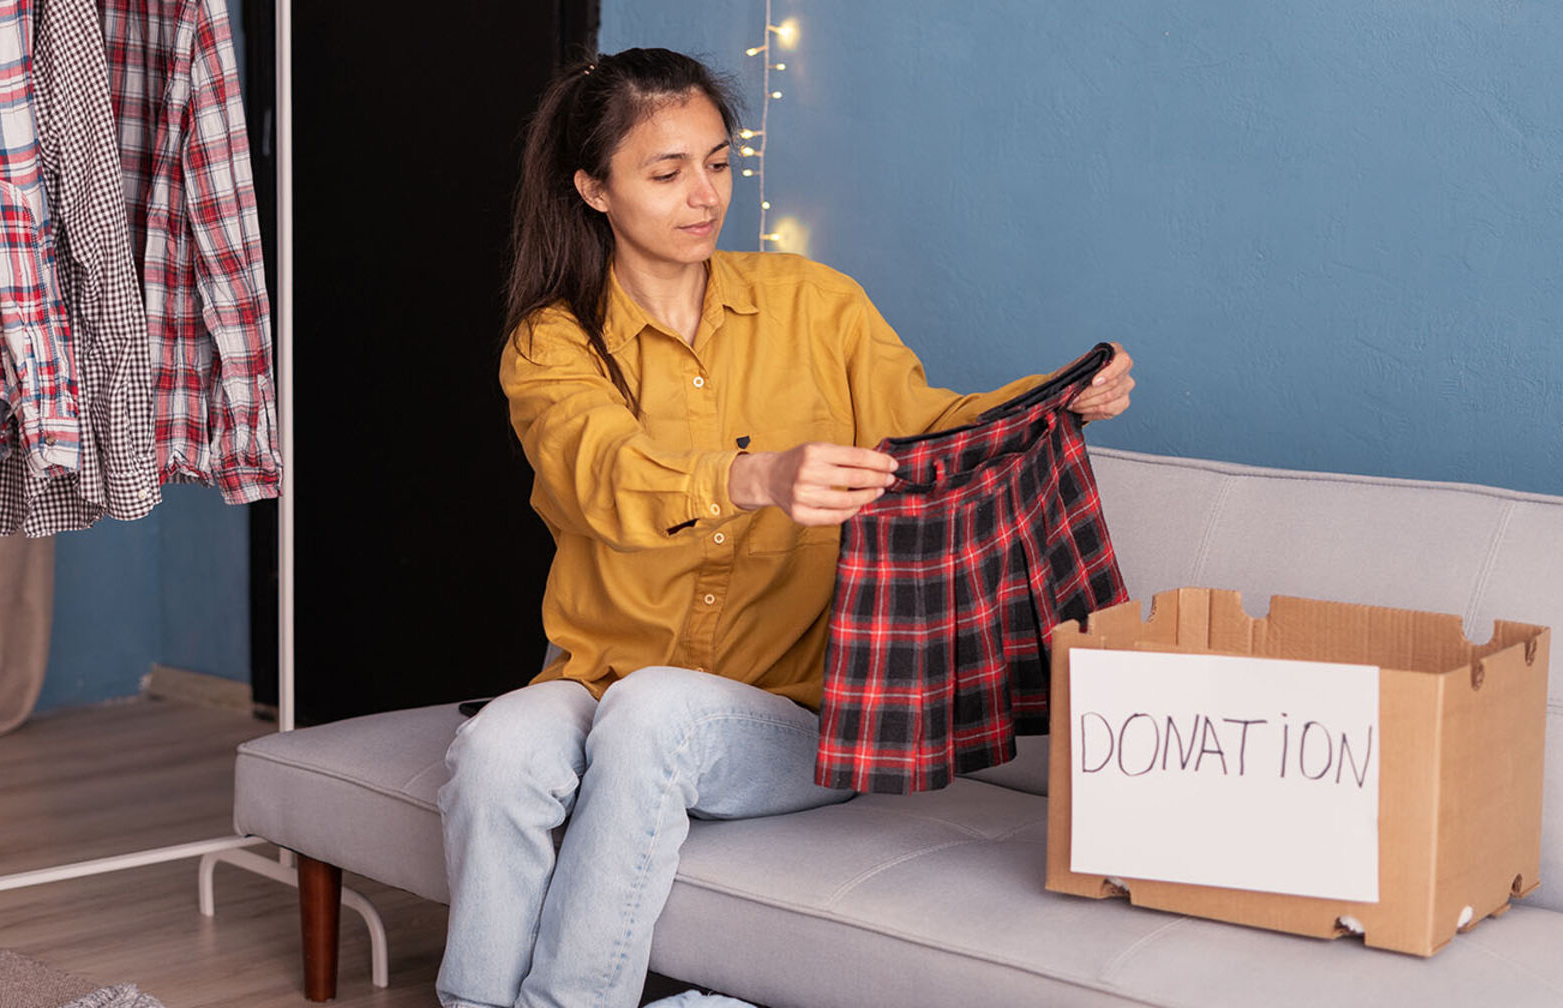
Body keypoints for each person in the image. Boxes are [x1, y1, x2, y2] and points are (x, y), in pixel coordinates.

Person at [436, 47, 1135, 1008]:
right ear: (593, 188)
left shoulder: (818, 304)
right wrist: (754, 475)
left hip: (796, 715)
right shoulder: (552, 343)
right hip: (599, 679)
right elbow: (598, 478)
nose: (704, 195)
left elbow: (928, 425)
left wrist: (1058, 398)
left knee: (654, 712)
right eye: (667, 171)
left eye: (720, 163)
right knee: (498, 749)